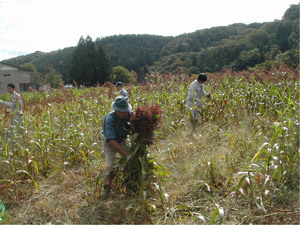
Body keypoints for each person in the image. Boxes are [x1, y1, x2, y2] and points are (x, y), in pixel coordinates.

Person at [101, 96, 132, 198]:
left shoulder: (129, 114)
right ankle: (107, 187)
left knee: (131, 160)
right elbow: (111, 141)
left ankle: (129, 184)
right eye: (120, 112)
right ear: (116, 110)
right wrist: (125, 153)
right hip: (109, 142)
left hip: (121, 139)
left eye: (124, 111)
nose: (123, 114)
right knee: (111, 166)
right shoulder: (110, 118)